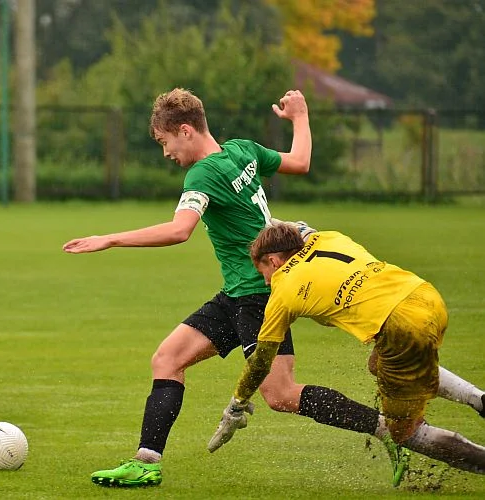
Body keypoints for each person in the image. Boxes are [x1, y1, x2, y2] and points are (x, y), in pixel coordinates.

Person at [63, 88, 413, 488]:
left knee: (280, 395)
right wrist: (300, 118)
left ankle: (389, 429)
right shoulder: (242, 149)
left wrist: (109, 239)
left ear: (185, 130)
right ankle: (147, 461)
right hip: (236, 294)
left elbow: (180, 230)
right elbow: (300, 162)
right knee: (167, 358)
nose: (165, 154)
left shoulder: (202, 173)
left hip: (259, 295)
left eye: (165, 143)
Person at [209, 222, 485, 475]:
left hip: (401, 327)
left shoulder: (282, 292)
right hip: (425, 295)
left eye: (264, 273)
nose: (266, 281)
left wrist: (237, 403)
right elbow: (303, 229)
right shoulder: (330, 238)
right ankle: (479, 399)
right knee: (377, 365)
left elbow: (260, 363)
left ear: (273, 260)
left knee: (404, 432)